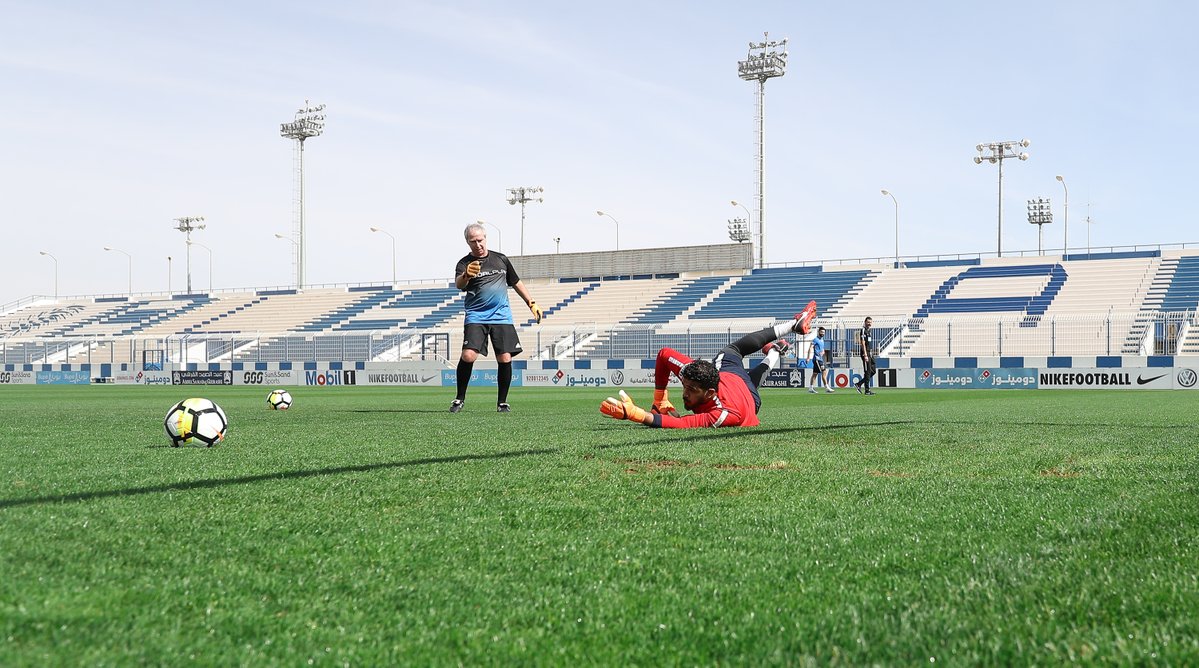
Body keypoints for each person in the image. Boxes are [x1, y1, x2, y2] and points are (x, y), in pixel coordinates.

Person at [600, 301, 817, 428]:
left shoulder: (724, 414)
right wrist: (660, 401)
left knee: (752, 384)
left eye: (691, 390)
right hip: (726, 372)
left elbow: (679, 425)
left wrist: (634, 414)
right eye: (685, 385)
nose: (684, 393)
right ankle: (790, 328)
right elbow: (664, 354)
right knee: (732, 350)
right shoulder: (695, 375)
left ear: (710, 392)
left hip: (748, 400)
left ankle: (776, 349)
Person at [449, 223, 544, 413]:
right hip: (476, 316)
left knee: (504, 357)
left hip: (501, 316)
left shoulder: (501, 259)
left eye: (480, 240)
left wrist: (531, 303)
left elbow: (515, 282)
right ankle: (459, 398)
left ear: (485, 238)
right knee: (468, 355)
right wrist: (467, 274)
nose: (478, 244)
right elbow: (459, 284)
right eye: (473, 241)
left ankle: (502, 402)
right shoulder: (464, 263)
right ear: (467, 242)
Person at [807, 326, 833, 394]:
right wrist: (808, 357)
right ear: (819, 332)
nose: (822, 333)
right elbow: (810, 348)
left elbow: (822, 349)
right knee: (823, 372)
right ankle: (826, 387)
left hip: (820, 359)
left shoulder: (822, 340)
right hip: (817, 359)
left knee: (816, 373)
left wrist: (823, 352)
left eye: (824, 332)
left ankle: (811, 388)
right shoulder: (815, 339)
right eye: (821, 332)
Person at [854, 316, 876, 396]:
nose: (869, 324)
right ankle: (867, 390)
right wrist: (865, 354)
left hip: (870, 353)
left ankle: (859, 384)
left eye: (870, 322)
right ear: (865, 322)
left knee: (873, 371)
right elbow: (862, 343)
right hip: (865, 353)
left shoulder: (869, 330)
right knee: (867, 371)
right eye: (868, 322)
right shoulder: (863, 330)